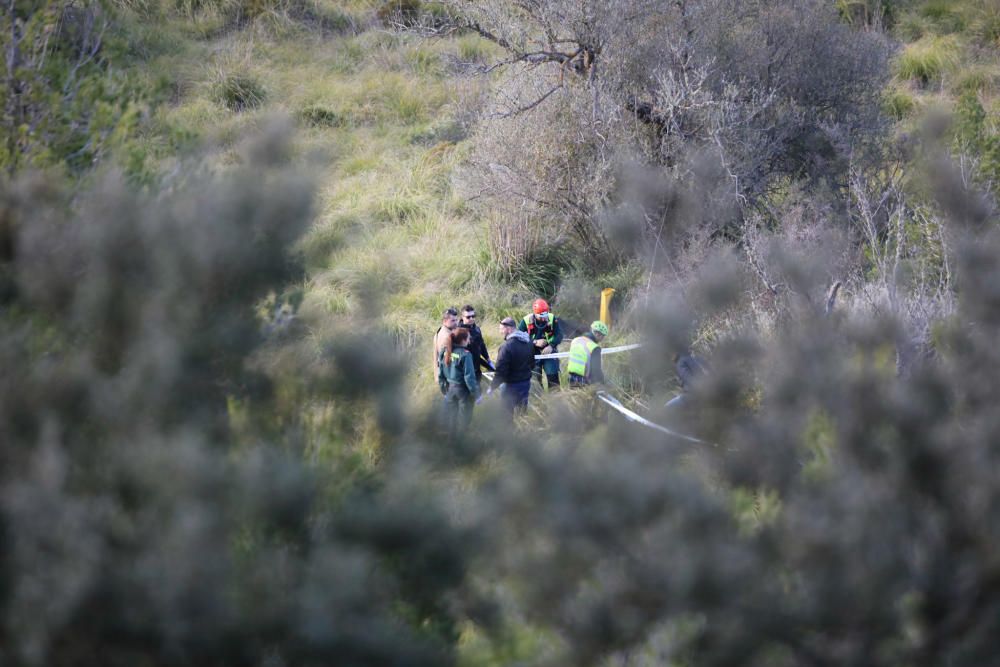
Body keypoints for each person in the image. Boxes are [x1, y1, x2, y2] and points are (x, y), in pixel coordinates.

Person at [438, 327, 480, 437]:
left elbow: (440, 373)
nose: (469, 341)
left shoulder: (445, 351)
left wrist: (443, 389)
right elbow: (469, 377)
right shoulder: (466, 354)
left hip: (450, 389)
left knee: (452, 418)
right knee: (463, 420)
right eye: (468, 339)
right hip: (463, 391)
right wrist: (476, 394)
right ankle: (461, 444)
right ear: (462, 340)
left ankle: (450, 442)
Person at [490, 316, 534, 414]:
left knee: (506, 414)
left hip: (510, 386)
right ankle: (523, 428)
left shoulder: (506, 347)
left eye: (501, 329)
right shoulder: (528, 342)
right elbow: (532, 363)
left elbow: (501, 371)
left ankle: (508, 429)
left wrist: (492, 386)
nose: (500, 332)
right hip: (525, 383)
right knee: (522, 412)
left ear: (509, 329)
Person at [518, 298, 563, 390]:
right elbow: (518, 338)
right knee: (535, 381)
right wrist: (534, 342)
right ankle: (539, 402)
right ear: (535, 313)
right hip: (532, 354)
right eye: (541, 316)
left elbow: (559, 335)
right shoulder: (526, 321)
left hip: (549, 353)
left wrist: (551, 345)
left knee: (553, 379)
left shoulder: (552, 318)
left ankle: (557, 401)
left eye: (546, 314)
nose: (544, 318)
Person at [457, 304, 493, 381]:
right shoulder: (458, 332)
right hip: (464, 369)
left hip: (477, 366)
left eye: (473, 316)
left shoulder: (476, 329)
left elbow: (482, 345)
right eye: (468, 317)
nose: (471, 318)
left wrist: (487, 358)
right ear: (462, 317)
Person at [567, 320, 608, 387]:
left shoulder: (575, 340)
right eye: (602, 336)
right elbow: (596, 370)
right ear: (598, 334)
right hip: (583, 380)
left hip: (571, 377)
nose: (602, 339)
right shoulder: (594, 347)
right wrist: (602, 382)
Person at [433, 307, 459, 392]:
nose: (456, 323)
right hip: (449, 379)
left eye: (456, 320)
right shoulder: (447, 337)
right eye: (453, 321)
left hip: (442, 376)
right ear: (444, 321)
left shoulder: (439, 331)